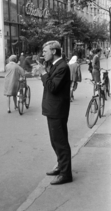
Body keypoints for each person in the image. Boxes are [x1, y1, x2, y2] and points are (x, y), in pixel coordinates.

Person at [38, 40, 72, 185]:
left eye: (45, 51)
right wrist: (44, 73)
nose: (43, 54)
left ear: (53, 51)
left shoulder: (62, 67)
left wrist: (43, 73)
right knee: (55, 141)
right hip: (52, 109)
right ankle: (61, 166)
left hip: (57, 110)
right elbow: (49, 84)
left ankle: (65, 174)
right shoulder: (55, 65)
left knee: (60, 142)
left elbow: (52, 87)